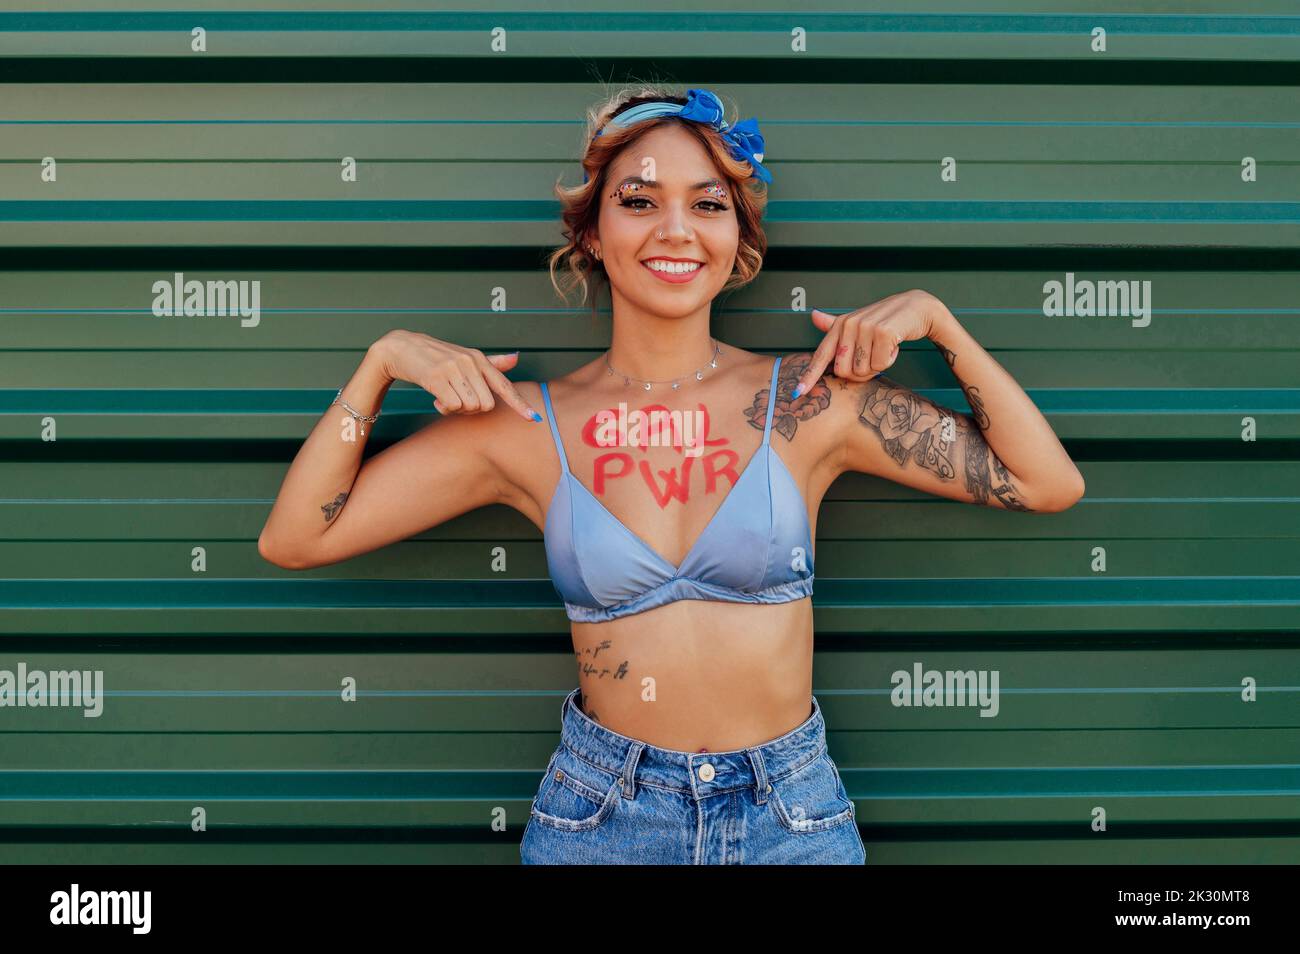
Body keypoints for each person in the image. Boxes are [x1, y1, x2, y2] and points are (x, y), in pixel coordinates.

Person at [257, 86, 1086, 865]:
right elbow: (298, 536)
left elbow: (1045, 481)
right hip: (601, 818)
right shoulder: (526, 427)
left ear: (739, 239)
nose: (676, 230)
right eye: (640, 200)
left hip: (789, 819)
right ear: (590, 232)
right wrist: (380, 365)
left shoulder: (806, 400)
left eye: (708, 203)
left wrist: (940, 323)